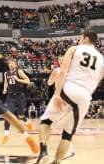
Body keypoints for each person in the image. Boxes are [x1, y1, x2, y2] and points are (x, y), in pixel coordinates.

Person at [36, 31, 104, 164]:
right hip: (85, 96)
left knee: (46, 121)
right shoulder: (101, 59)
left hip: (69, 89)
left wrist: (57, 94)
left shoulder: (74, 49)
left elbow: (64, 71)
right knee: (68, 135)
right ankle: (56, 162)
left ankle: (43, 150)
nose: (79, 40)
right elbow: (98, 79)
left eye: (80, 38)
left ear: (85, 38)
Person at [47, 56, 76, 160]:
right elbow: (49, 83)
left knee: (68, 123)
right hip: (57, 96)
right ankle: (46, 147)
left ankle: (69, 148)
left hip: (68, 96)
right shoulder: (56, 70)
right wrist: (55, 77)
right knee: (49, 121)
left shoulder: (70, 70)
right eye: (60, 60)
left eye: (64, 59)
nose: (62, 61)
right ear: (58, 62)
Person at [2, 59, 33, 144]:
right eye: (9, 63)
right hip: (10, 96)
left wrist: (18, 80)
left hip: (20, 96)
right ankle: (6, 135)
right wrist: (5, 89)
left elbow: (28, 81)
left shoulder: (19, 71)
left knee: (20, 115)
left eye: (12, 63)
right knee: (8, 115)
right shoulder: (6, 73)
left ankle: (26, 121)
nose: (11, 64)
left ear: (15, 65)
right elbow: (6, 82)